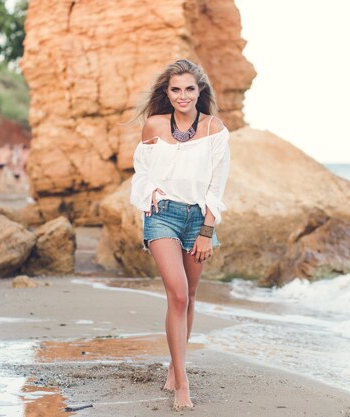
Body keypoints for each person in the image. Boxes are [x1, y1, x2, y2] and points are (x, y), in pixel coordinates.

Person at [129, 59, 230, 410]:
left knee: (189, 296)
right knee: (178, 293)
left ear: (199, 91)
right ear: (167, 92)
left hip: (198, 221)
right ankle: (182, 385)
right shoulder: (154, 125)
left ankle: (176, 363)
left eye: (189, 88)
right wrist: (151, 192)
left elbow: (218, 185)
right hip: (163, 216)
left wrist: (207, 232)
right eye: (175, 89)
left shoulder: (215, 129)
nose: (182, 95)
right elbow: (140, 171)